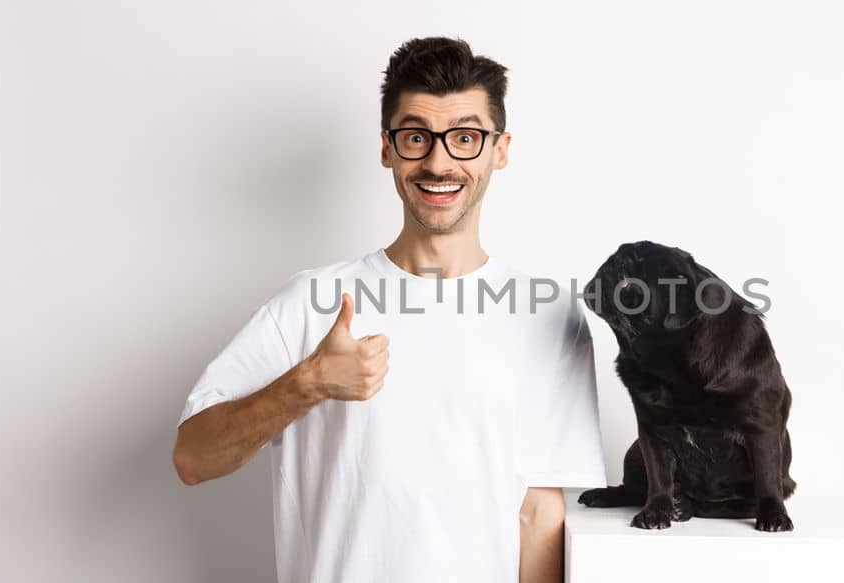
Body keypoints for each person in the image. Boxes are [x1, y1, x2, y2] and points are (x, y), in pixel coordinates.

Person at [171, 36, 608, 583]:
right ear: (387, 149)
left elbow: (539, 513)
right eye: (416, 137)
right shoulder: (313, 301)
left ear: (500, 148)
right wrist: (305, 384)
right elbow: (193, 458)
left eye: (465, 137)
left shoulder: (548, 316)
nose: (438, 161)